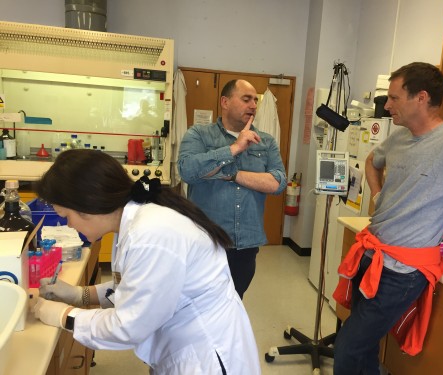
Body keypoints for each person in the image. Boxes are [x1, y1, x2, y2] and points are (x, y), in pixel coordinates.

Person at [333, 62, 443, 374]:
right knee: (363, 345)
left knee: (347, 346)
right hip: (371, 257)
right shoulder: (399, 138)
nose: (387, 105)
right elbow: (372, 160)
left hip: (403, 272)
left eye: (395, 97)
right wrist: (377, 193)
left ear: (421, 98)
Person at [33, 149, 261, 375]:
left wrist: (65, 315)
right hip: (180, 343)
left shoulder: (151, 234)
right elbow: (137, 286)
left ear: (88, 206)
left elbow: (127, 327)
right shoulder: (135, 218)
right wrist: (80, 294)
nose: (69, 226)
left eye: (66, 216)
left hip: (205, 356)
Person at [178, 79, 287, 299]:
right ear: (225, 102)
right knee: (197, 305)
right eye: (246, 99)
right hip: (205, 242)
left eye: (255, 100)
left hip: (245, 244)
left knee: (234, 302)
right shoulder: (199, 135)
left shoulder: (265, 142)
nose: (253, 105)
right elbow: (188, 171)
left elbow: (277, 182)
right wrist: (235, 148)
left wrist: (232, 175)